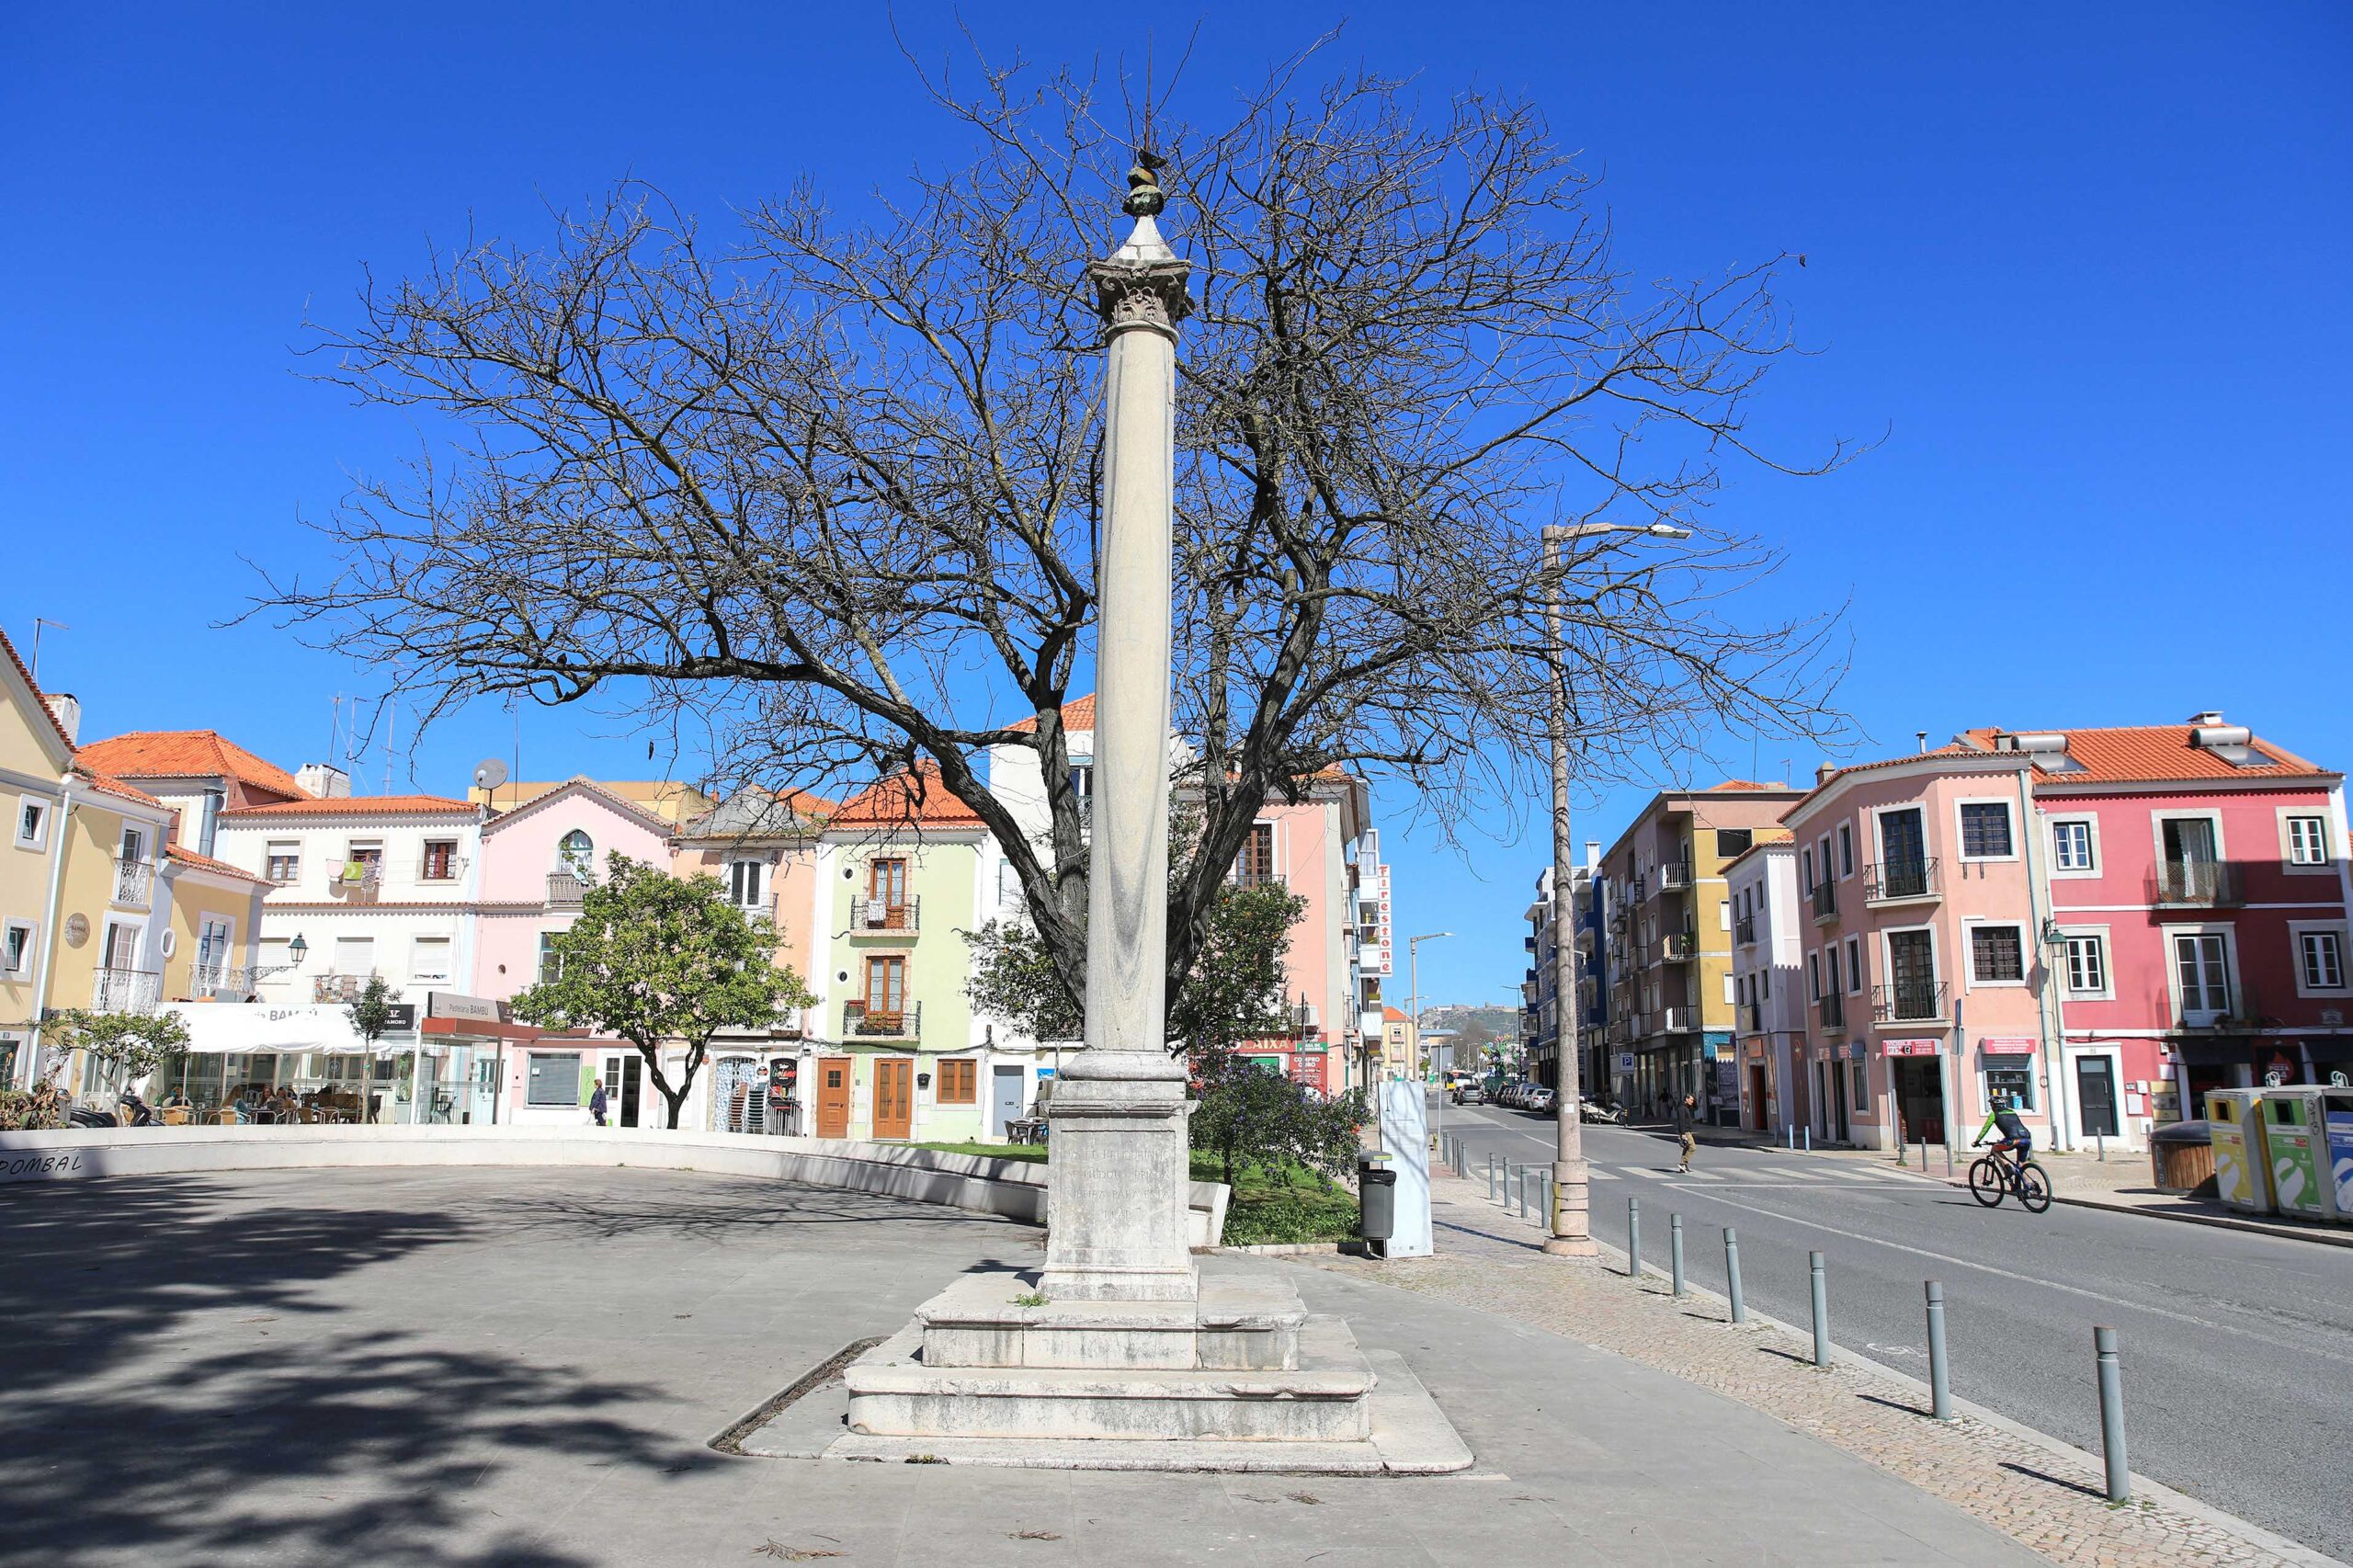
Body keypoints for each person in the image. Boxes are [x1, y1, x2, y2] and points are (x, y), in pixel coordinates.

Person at [1974, 1096, 2033, 1169]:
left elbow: (1985, 1129)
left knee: (1994, 1149)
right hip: (2026, 1139)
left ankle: (2007, 1166)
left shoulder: (1994, 1114)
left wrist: (1977, 1141)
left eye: (1991, 1104)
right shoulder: (2012, 1111)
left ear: (1993, 1105)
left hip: (2013, 1140)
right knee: (2021, 1165)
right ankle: (2026, 1180)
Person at [1672, 1093, 1698, 1174]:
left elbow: (1696, 1108)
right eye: (1691, 1100)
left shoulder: (1686, 1107)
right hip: (1685, 1131)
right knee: (1692, 1147)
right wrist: (1682, 1133)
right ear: (1686, 1099)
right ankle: (1683, 1163)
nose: (1692, 1102)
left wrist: (1694, 1102)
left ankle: (1683, 1167)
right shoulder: (1682, 1108)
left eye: (1693, 1100)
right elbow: (1681, 1121)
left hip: (1687, 1130)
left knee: (1686, 1148)